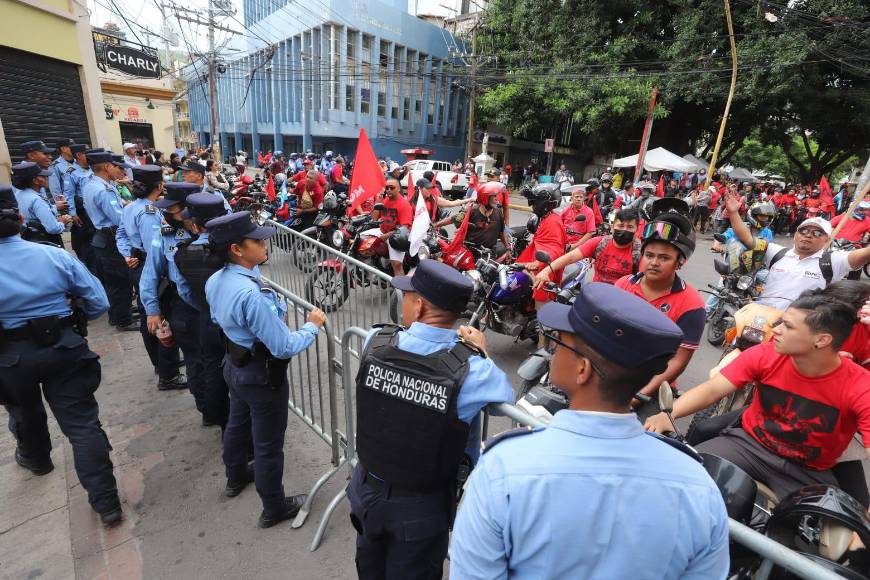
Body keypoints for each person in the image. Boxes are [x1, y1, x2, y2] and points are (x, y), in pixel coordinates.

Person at [450, 282, 729, 578]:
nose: (553, 349)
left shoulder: (504, 469)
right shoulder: (699, 488)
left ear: (582, 369)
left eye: (560, 343)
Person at [348, 259, 514, 579]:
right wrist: (481, 351)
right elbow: (504, 399)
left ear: (420, 305)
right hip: (420, 511)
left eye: (408, 297)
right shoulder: (472, 370)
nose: (403, 301)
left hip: (367, 492)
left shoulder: (377, 341)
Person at [645, 289, 870, 502]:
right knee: (680, 480)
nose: (776, 330)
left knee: (838, 539)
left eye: (788, 327)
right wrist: (668, 415)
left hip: (807, 470)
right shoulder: (764, 354)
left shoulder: (860, 386)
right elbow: (712, 389)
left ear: (821, 340)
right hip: (748, 446)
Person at [0, 185, 123, 526]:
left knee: (23, 411)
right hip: (63, 347)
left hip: (11, 356)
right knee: (83, 426)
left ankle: (37, 459)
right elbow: (99, 303)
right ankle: (107, 503)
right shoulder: (55, 256)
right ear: (22, 219)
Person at [204, 212, 326, 528]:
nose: (264, 243)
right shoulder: (251, 295)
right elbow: (283, 345)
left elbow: (219, 321)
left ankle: (235, 476)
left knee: (237, 423)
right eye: (257, 240)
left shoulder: (216, 280)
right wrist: (312, 327)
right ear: (237, 249)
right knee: (268, 446)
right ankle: (273, 507)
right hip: (261, 376)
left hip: (235, 366)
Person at [614, 210, 704, 414]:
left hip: (653, 385)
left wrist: (637, 398)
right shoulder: (622, 285)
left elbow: (679, 361)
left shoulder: (692, 304)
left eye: (664, 257)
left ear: (679, 262)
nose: (654, 262)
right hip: (612, 373)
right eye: (649, 255)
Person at [724, 191, 870, 310]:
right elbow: (747, 238)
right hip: (761, 318)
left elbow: (863, 254)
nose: (809, 235)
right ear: (795, 235)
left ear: (827, 239)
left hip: (798, 328)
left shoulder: (833, 261)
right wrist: (733, 213)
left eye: (817, 233)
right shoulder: (778, 253)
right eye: (804, 230)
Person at [116, 165, 185, 390]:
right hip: (150, 265)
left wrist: (127, 254)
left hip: (139, 261)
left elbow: (121, 233)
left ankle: (162, 363)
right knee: (159, 315)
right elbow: (155, 247)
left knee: (149, 313)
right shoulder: (149, 212)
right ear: (159, 186)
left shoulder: (130, 207)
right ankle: (168, 373)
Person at [170, 192, 233, 428]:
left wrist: (206, 308)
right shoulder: (233, 249)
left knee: (212, 371)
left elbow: (185, 292)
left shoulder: (182, 252)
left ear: (194, 225)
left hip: (206, 319)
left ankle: (219, 419)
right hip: (235, 322)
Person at [82, 151, 136, 331]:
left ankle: (118, 313)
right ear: (106, 166)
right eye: (114, 166)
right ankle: (123, 320)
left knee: (112, 281)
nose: (117, 169)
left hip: (102, 237)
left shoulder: (92, 184)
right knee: (121, 281)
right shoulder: (103, 190)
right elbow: (119, 219)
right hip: (111, 238)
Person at [535, 208, 641, 287]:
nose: (624, 230)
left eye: (630, 227)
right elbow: (571, 257)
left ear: (636, 230)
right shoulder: (600, 242)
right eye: (621, 226)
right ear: (613, 228)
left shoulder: (641, 252)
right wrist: (546, 271)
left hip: (623, 301)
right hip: (595, 294)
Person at [517, 185, 566, 310]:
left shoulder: (553, 222)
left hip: (544, 265)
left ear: (547, 203)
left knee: (541, 294)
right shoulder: (544, 217)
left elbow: (555, 248)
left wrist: (537, 262)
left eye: (535, 201)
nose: (532, 204)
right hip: (535, 259)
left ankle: (543, 325)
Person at [11, 162, 71, 246]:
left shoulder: (19, 194)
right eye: (43, 176)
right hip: (46, 241)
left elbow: (33, 213)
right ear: (35, 181)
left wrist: (54, 207)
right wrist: (62, 222)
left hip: (29, 240)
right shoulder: (37, 200)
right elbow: (53, 228)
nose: (47, 178)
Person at [364, 178, 413, 277]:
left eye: (392, 187)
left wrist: (387, 236)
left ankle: (401, 291)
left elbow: (404, 228)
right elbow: (374, 218)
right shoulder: (385, 200)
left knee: (397, 265)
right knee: (360, 239)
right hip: (382, 231)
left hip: (397, 236)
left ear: (398, 189)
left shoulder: (404, 205)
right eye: (387, 187)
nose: (389, 190)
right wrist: (378, 202)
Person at [465, 182, 510, 256]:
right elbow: (454, 220)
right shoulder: (471, 211)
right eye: (494, 196)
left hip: (489, 254)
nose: (497, 199)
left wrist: (507, 248)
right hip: (470, 251)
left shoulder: (498, 212)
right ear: (485, 197)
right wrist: (438, 224)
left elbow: (501, 232)